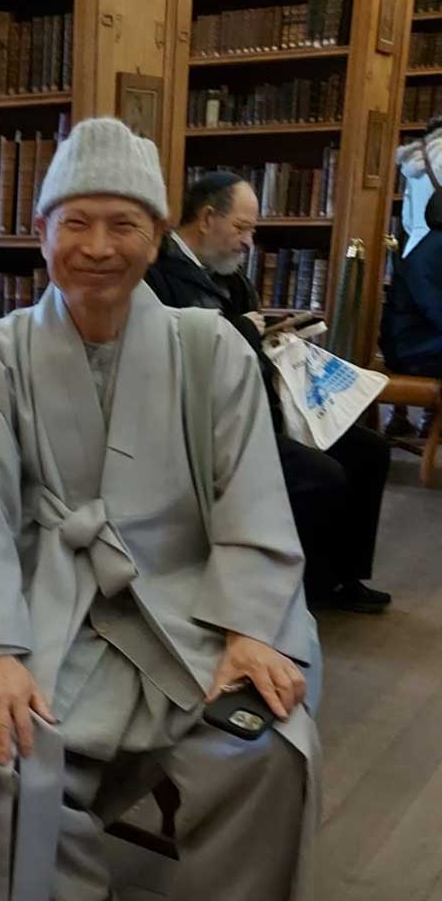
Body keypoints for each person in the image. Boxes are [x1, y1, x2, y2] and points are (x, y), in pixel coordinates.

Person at [0, 118, 321, 901]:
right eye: (77, 222)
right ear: (41, 232)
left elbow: (251, 498)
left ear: (158, 234)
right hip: (44, 603)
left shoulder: (210, 349)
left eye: (124, 224)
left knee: (267, 742)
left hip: (191, 602)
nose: (98, 247)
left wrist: (250, 628)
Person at [146, 171, 391, 615]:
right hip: (208, 424)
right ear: (206, 218)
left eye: (252, 230)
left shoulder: (230, 274)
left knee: (369, 450)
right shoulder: (157, 274)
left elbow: (247, 338)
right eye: (242, 228)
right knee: (321, 474)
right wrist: (242, 332)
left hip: (259, 404)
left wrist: (279, 337)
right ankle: (289, 596)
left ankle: (341, 575)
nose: (248, 242)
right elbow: (166, 355)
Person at [381, 118, 442, 441]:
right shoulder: (432, 251)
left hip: (415, 243)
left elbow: (407, 220)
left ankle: (408, 416)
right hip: (412, 346)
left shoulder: (418, 160)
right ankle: (431, 417)